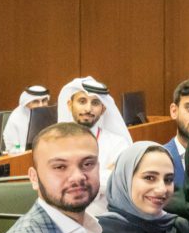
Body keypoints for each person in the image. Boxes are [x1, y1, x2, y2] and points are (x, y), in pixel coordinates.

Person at [56, 76, 134, 210]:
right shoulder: (55, 143)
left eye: (95, 103)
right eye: (82, 101)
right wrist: (103, 174)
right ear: (70, 105)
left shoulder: (118, 143)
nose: (88, 109)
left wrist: (75, 182)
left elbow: (118, 183)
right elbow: (56, 184)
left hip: (104, 217)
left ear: (103, 109)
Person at [1, 84, 50, 153]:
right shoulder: (16, 118)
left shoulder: (49, 114)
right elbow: (12, 148)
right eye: (36, 102)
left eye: (44, 101)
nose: (41, 105)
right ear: (27, 103)